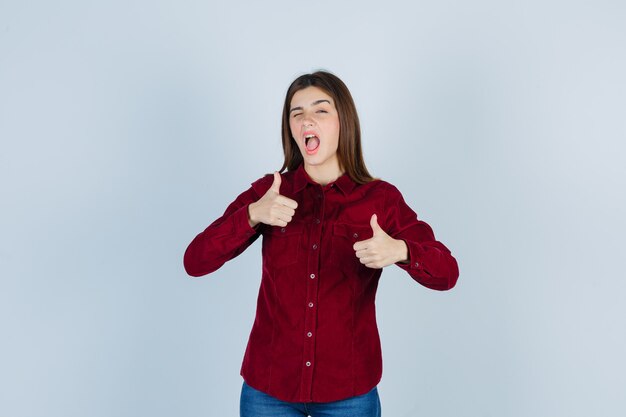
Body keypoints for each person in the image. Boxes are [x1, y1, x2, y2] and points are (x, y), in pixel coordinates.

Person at [183, 70, 459, 417]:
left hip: (350, 392)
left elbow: (447, 273)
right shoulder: (269, 193)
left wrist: (402, 252)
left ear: (344, 122)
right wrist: (252, 214)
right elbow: (195, 261)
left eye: (320, 110)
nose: (305, 119)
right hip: (269, 389)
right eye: (296, 113)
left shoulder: (381, 199)